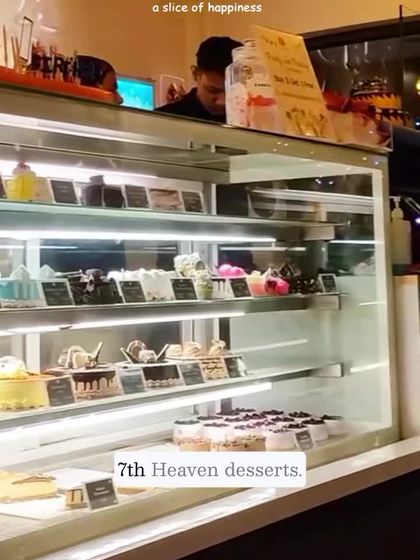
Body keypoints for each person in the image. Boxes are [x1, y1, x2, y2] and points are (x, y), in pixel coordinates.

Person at [156, 36, 242, 123]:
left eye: (232, 92)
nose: (222, 102)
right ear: (196, 74)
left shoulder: (247, 119)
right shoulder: (162, 119)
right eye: (212, 90)